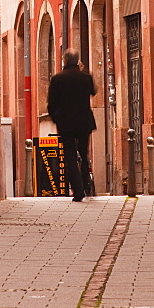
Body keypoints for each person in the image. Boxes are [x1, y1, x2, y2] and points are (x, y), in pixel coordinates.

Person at [47, 49, 97, 202]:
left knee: (69, 156)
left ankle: (78, 191)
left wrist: (56, 119)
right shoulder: (85, 77)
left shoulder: (57, 79)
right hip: (84, 122)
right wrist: (85, 72)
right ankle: (87, 186)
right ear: (77, 61)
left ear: (64, 61)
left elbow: (51, 104)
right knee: (83, 152)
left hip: (66, 123)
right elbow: (93, 91)